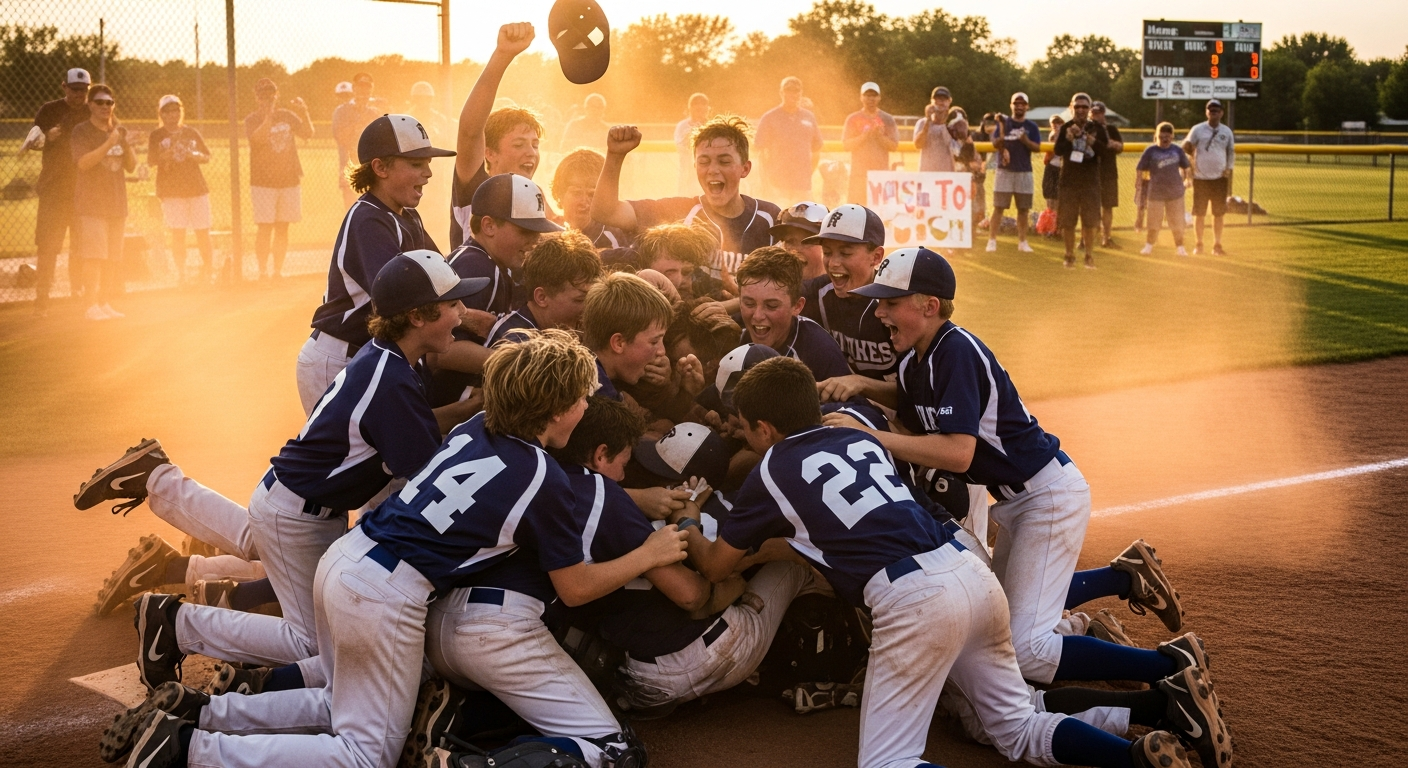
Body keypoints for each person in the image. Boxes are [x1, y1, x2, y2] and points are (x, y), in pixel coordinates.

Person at [108, 331, 615, 768]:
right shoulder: (545, 474)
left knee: (337, 703)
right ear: (557, 406)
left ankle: (201, 712)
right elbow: (573, 587)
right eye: (581, 397)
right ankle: (189, 750)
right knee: (364, 755)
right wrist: (653, 551)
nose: (587, 405)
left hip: (347, 559)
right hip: (384, 593)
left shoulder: (472, 429)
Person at [687, 354, 1219, 768]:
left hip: (911, 601)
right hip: (968, 572)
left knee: (888, 762)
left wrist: (688, 527)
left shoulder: (773, 466)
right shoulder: (858, 438)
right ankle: (1132, 756)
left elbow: (716, 568)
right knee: (1016, 727)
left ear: (762, 428)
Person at [76, 251, 488, 718]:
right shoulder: (391, 378)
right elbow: (424, 468)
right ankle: (178, 624)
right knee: (310, 641)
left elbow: (415, 425)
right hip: (299, 515)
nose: (461, 314)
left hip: (291, 501)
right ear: (417, 315)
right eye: (452, 304)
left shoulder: (387, 359)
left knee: (258, 541)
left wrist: (472, 408)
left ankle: (157, 479)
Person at [836, 248, 1204, 690]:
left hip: (1046, 497)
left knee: (1026, 650)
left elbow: (958, 454)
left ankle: (1172, 668)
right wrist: (861, 384)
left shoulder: (956, 352)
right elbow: (914, 403)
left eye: (891, 303)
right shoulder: (920, 355)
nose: (879, 312)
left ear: (929, 306)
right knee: (1004, 612)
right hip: (1020, 500)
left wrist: (872, 438)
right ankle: (1116, 588)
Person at [296, 115, 456, 415]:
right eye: (416, 164)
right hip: (341, 358)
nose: (429, 173)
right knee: (343, 458)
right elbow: (400, 297)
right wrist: (468, 316)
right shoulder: (368, 219)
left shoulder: (406, 215)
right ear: (380, 168)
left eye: (428, 164)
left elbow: (444, 276)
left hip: (367, 356)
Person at [592, 117, 780, 285]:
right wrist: (615, 156)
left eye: (724, 161)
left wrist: (733, 305)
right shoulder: (678, 212)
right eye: (704, 162)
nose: (713, 169)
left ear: (745, 169)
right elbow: (605, 211)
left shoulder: (769, 218)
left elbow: (786, 285)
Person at [431, 173, 563, 407]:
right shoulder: (476, 265)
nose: (535, 241)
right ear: (489, 225)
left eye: (538, 232)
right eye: (525, 231)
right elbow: (440, 352)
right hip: (443, 409)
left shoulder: (498, 264)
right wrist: (517, 363)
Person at [449, 22, 543, 249]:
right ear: (488, 153)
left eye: (535, 144)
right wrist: (503, 55)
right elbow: (470, 132)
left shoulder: (534, 196)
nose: (530, 152)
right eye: (519, 144)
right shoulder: (476, 187)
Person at [736, 246, 851, 382]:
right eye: (749, 304)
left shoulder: (820, 353)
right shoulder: (740, 337)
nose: (757, 316)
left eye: (771, 306)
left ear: (797, 306)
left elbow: (852, 403)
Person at [28, 67, 90, 316]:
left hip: (83, 191)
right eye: (75, 90)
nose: (79, 95)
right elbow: (31, 142)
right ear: (64, 87)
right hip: (53, 189)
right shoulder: (49, 110)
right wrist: (47, 136)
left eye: (83, 90)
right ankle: (42, 300)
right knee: (48, 246)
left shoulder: (91, 110)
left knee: (81, 246)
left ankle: (78, 293)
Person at [70, 84, 135, 321]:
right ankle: (90, 306)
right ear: (90, 105)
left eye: (109, 103)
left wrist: (126, 142)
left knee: (112, 258)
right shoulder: (82, 131)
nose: (105, 107)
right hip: (92, 204)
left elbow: (131, 166)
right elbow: (83, 163)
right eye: (100, 102)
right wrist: (109, 142)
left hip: (116, 203)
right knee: (94, 257)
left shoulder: (116, 130)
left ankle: (104, 302)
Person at [245, 77, 313, 280]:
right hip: (263, 182)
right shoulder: (252, 119)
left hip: (289, 179)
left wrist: (304, 112)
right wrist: (268, 117)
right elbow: (257, 139)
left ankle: (277, 271)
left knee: (283, 227)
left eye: (271, 95)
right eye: (263, 95)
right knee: (265, 227)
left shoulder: (287, 115)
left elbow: (308, 133)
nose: (267, 99)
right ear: (257, 98)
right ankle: (263, 271)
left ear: (276, 96)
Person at [486, 230, 604, 346]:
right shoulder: (516, 343)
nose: (589, 308)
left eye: (591, 298)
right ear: (542, 297)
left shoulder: (563, 329)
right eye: (580, 300)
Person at [147, 94, 213, 284]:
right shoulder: (156, 135)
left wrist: (193, 154)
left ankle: (208, 272)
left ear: (180, 111)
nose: (172, 114)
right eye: (167, 111)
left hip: (196, 189)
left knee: (203, 232)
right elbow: (151, 161)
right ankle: (182, 274)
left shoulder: (190, 132)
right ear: (161, 114)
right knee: (178, 234)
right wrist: (166, 155)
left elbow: (207, 156)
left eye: (175, 110)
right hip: (171, 191)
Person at [1053, 93, 1107, 269]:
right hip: (1069, 180)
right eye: (1077, 107)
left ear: (1089, 109)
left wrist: (1087, 138)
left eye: (1084, 106)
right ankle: (1069, 255)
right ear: (1071, 108)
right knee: (1068, 221)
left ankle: (1089, 255)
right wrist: (1068, 138)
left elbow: (1104, 151)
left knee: (1090, 221)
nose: (1081, 110)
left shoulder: (1097, 128)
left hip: (1090, 180)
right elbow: (1058, 150)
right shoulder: (1066, 127)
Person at [754, 77, 824, 204]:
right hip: (777, 183)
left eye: (796, 91)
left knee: (803, 221)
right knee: (779, 220)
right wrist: (766, 181)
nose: (793, 94)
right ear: (781, 93)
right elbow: (761, 151)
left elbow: (816, 149)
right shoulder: (770, 117)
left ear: (801, 93)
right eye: (789, 90)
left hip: (803, 184)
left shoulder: (809, 117)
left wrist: (808, 172)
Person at [987, 92, 1041, 253]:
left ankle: (1022, 241)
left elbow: (1037, 147)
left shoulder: (1031, 126)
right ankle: (992, 240)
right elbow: (995, 143)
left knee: (1023, 209)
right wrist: (1001, 133)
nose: (1019, 106)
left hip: (1024, 171)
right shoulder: (1004, 122)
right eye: (1016, 103)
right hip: (1004, 170)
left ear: (1027, 106)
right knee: (998, 207)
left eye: (1022, 103)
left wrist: (1025, 141)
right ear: (1011, 105)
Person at [1183, 99, 1235, 256]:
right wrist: (1190, 167)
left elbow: (1231, 151)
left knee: (1218, 213)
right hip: (1201, 178)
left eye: (1216, 110)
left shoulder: (1227, 131)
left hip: (1219, 178)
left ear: (1222, 113)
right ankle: (1199, 244)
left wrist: (1229, 169)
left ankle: (1217, 245)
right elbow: (1186, 147)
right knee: (1199, 213)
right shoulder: (1197, 129)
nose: (1213, 112)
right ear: (1206, 112)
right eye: (1210, 110)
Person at [551, 148, 630, 248]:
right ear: (559, 194)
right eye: (576, 193)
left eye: (592, 195)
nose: (584, 202)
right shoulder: (548, 236)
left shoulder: (615, 240)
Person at [1136, 122, 1192, 257]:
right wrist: (1138, 186)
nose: (1165, 139)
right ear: (1157, 136)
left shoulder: (1177, 150)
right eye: (1162, 136)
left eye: (1167, 136)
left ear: (1172, 136)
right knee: (1153, 223)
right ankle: (1149, 246)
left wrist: (1188, 179)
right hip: (1156, 192)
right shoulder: (1151, 151)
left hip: (1175, 192)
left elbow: (1187, 166)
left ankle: (1180, 247)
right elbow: (1140, 168)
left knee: (1177, 222)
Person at [332, 72, 385, 208]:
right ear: (354, 89)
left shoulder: (375, 113)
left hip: (372, 169)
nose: (364, 91)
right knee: (351, 211)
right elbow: (341, 138)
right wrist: (360, 116)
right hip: (350, 167)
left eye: (367, 87)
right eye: (361, 87)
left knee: (373, 211)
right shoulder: (342, 111)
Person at [841, 82, 899, 205]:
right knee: (856, 210)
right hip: (859, 174)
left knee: (880, 211)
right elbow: (846, 145)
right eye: (867, 95)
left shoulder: (887, 119)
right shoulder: (853, 118)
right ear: (861, 97)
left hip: (880, 174)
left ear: (879, 97)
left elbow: (893, 146)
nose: (871, 99)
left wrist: (879, 136)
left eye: (874, 95)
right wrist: (864, 136)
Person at [1091, 101, 1125, 249]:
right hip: (1092, 171)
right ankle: (1090, 237)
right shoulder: (1089, 129)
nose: (1095, 115)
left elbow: (1120, 146)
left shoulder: (1111, 129)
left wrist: (1115, 145)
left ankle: (1107, 237)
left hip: (1109, 171)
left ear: (1103, 113)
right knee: (1092, 206)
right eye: (1093, 112)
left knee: (1108, 206)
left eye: (1098, 112)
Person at [768, 201, 828, 280]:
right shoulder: (769, 287)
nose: (795, 250)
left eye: (806, 241)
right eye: (790, 241)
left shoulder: (842, 290)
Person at [674, 93, 710, 195]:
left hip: (707, 170)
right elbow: (679, 145)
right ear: (690, 108)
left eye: (703, 104)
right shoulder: (682, 126)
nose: (699, 107)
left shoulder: (712, 125)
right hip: (687, 170)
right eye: (695, 105)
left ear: (707, 108)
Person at [913, 86, 955, 172]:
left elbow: (955, 149)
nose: (941, 102)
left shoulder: (954, 124)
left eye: (944, 99)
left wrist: (944, 122)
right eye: (937, 99)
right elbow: (918, 145)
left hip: (947, 173)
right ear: (931, 102)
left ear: (949, 101)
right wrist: (928, 120)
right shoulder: (922, 123)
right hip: (926, 172)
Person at [1041, 114, 1064, 214]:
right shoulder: (1052, 134)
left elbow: (1050, 155)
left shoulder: (1062, 135)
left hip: (1058, 167)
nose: (1055, 125)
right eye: (1053, 123)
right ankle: (1051, 216)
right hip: (1053, 166)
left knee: (1056, 195)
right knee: (1050, 193)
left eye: (1057, 123)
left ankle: (1055, 219)